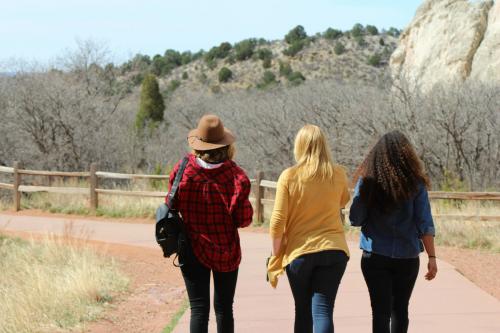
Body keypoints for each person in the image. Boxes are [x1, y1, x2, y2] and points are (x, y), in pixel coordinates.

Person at [168, 114, 253, 333]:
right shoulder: (237, 177)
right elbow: (244, 220)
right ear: (225, 144)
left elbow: (171, 202)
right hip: (226, 249)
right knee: (224, 308)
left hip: (191, 246)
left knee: (198, 308)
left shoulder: (183, 169)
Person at [349, 130, 437, 333]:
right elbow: (424, 222)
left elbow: (356, 219)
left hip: (375, 255)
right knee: (400, 310)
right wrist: (432, 256)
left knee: (380, 312)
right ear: (408, 155)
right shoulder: (416, 183)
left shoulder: (367, 181)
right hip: (407, 256)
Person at [267, 124, 350, 333]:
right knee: (323, 311)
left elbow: (277, 220)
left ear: (300, 146)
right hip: (334, 250)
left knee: (302, 311)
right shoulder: (338, 174)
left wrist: (276, 253)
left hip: (300, 253)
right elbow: (343, 201)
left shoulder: (289, 176)